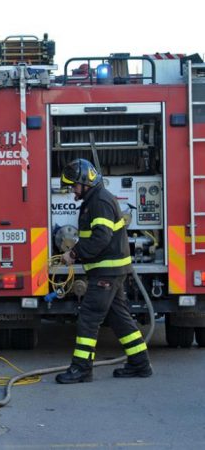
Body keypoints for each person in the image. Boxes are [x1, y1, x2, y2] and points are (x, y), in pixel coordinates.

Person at [55, 158, 152, 384]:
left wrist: (74, 253)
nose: (72, 191)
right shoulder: (95, 199)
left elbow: (101, 238)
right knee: (119, 318)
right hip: (110, 270)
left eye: (74, 186)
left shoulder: (99, 202)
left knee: (89, 318)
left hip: (107, 272)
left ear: (85, 183)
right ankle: (140, 364)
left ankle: (81, 369)